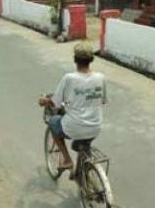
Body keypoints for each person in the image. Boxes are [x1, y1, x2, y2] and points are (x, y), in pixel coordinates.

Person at [39, 42, 107, 171]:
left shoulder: (69, 78)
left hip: (75, 127)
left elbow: (55, 103)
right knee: (82, 144)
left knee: (53, 122)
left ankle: (67, 160)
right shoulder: (100, 78)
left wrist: (43, 100)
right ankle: (84, 172)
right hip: (95, 127)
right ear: (91, 59)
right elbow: (102, 101)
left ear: (75, 60)